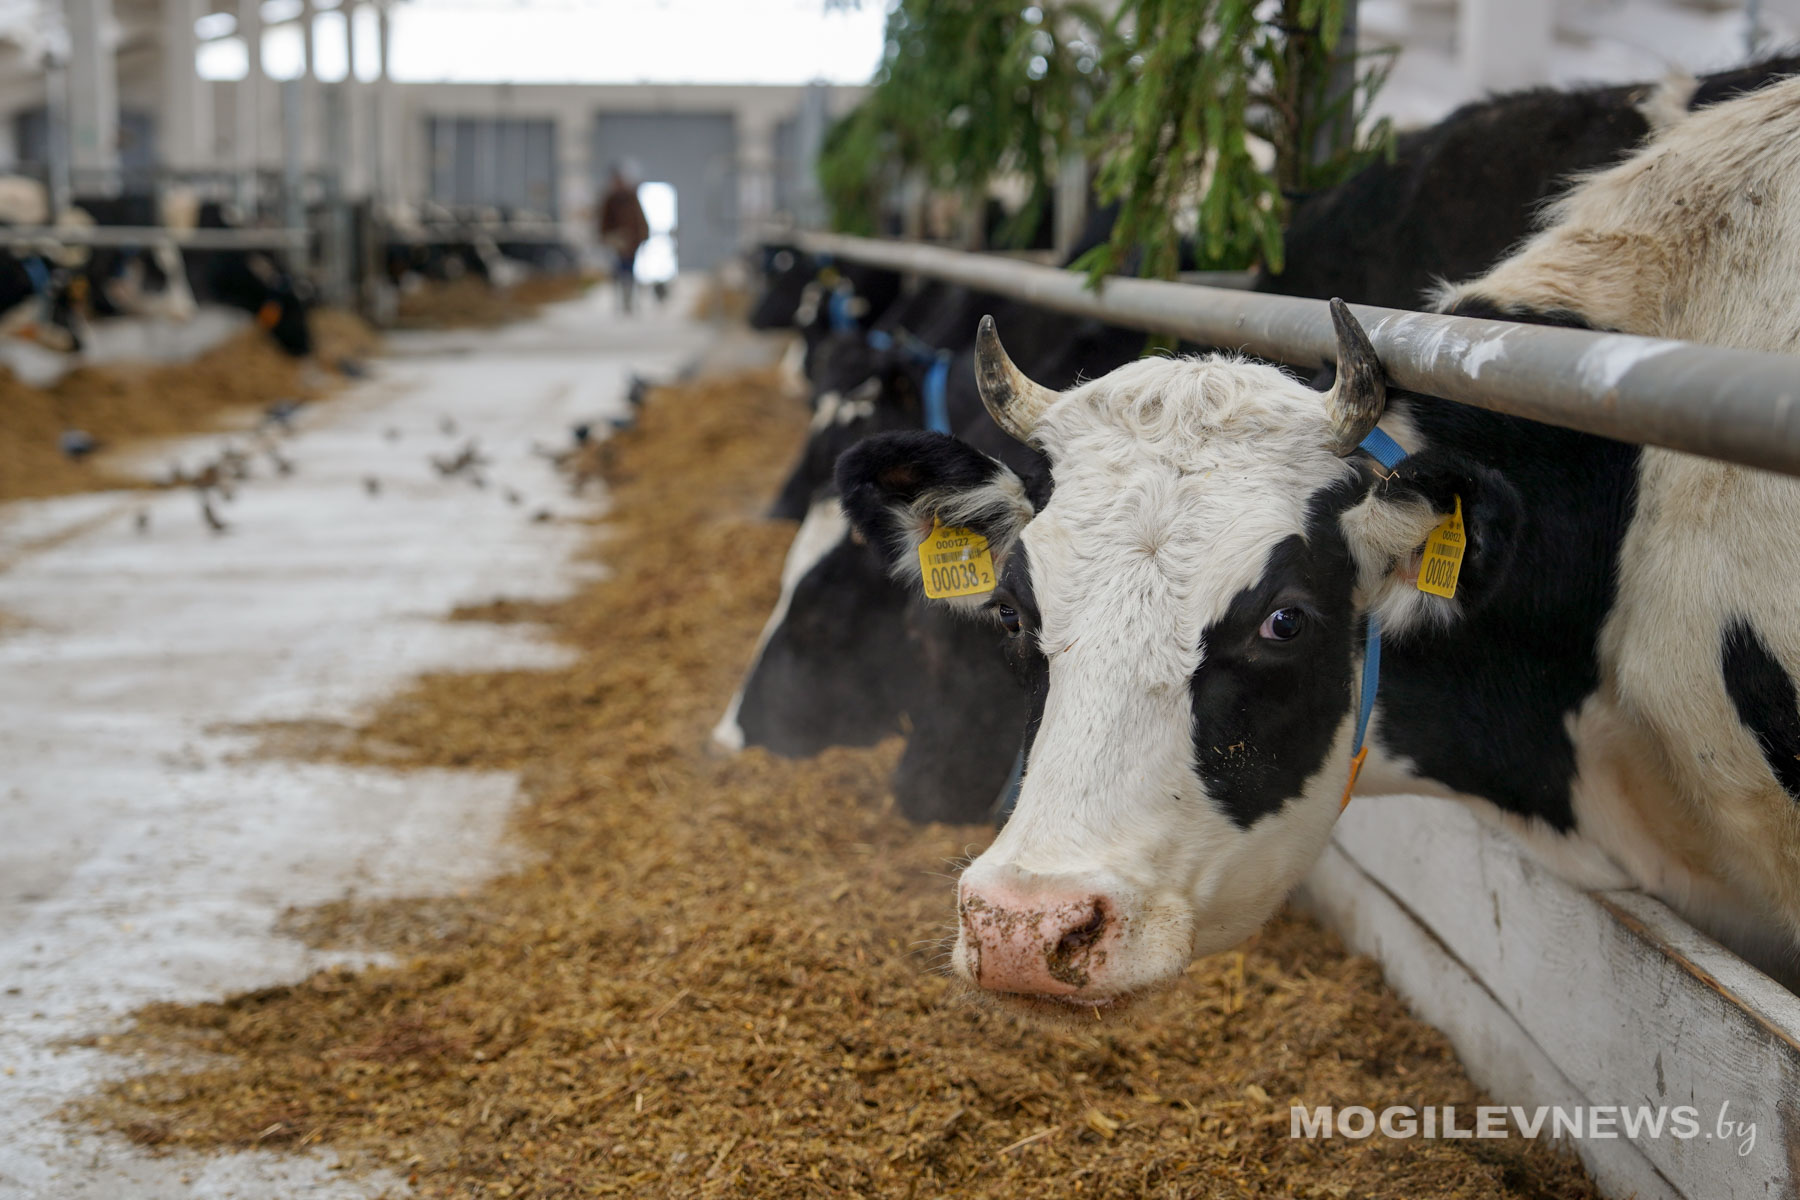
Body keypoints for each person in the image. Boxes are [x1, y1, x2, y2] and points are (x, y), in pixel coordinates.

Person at [598, 165, 650, 314]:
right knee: (619, 270)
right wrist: (606, 237)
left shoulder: (631, 198)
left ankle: (629, 301)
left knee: (629, 269)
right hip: (617, 242)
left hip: (632, 241)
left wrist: (643, 235)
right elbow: (604, 222)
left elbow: (640, 219)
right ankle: (621, 300)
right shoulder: (610, 200)